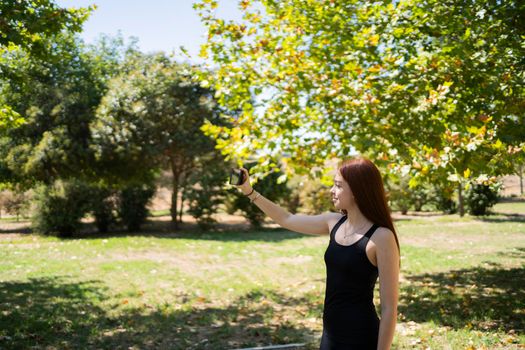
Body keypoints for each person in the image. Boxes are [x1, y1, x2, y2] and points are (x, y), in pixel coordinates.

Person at [234, 158, 400, 350]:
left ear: (357, 190)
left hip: (361, 336)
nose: (332, 190)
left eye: (338, 186)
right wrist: (249, 191)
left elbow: (389, 308)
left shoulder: (381, 237)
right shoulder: (334, 223)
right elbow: (287, 219)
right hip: (330, 334)